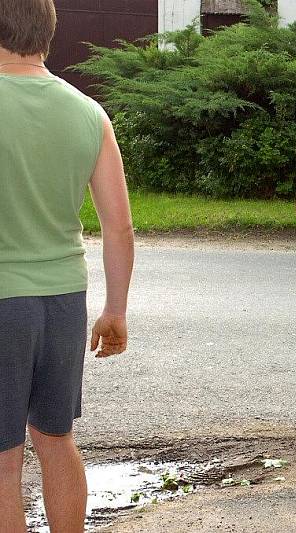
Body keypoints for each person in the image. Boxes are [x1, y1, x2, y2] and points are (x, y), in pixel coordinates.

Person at [0, 1, 135, 531]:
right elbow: (119, 227)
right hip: (62, 299)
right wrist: (115, 311)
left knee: (4, 457)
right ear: (49, 32)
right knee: (56, 439)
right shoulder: (88, 112)